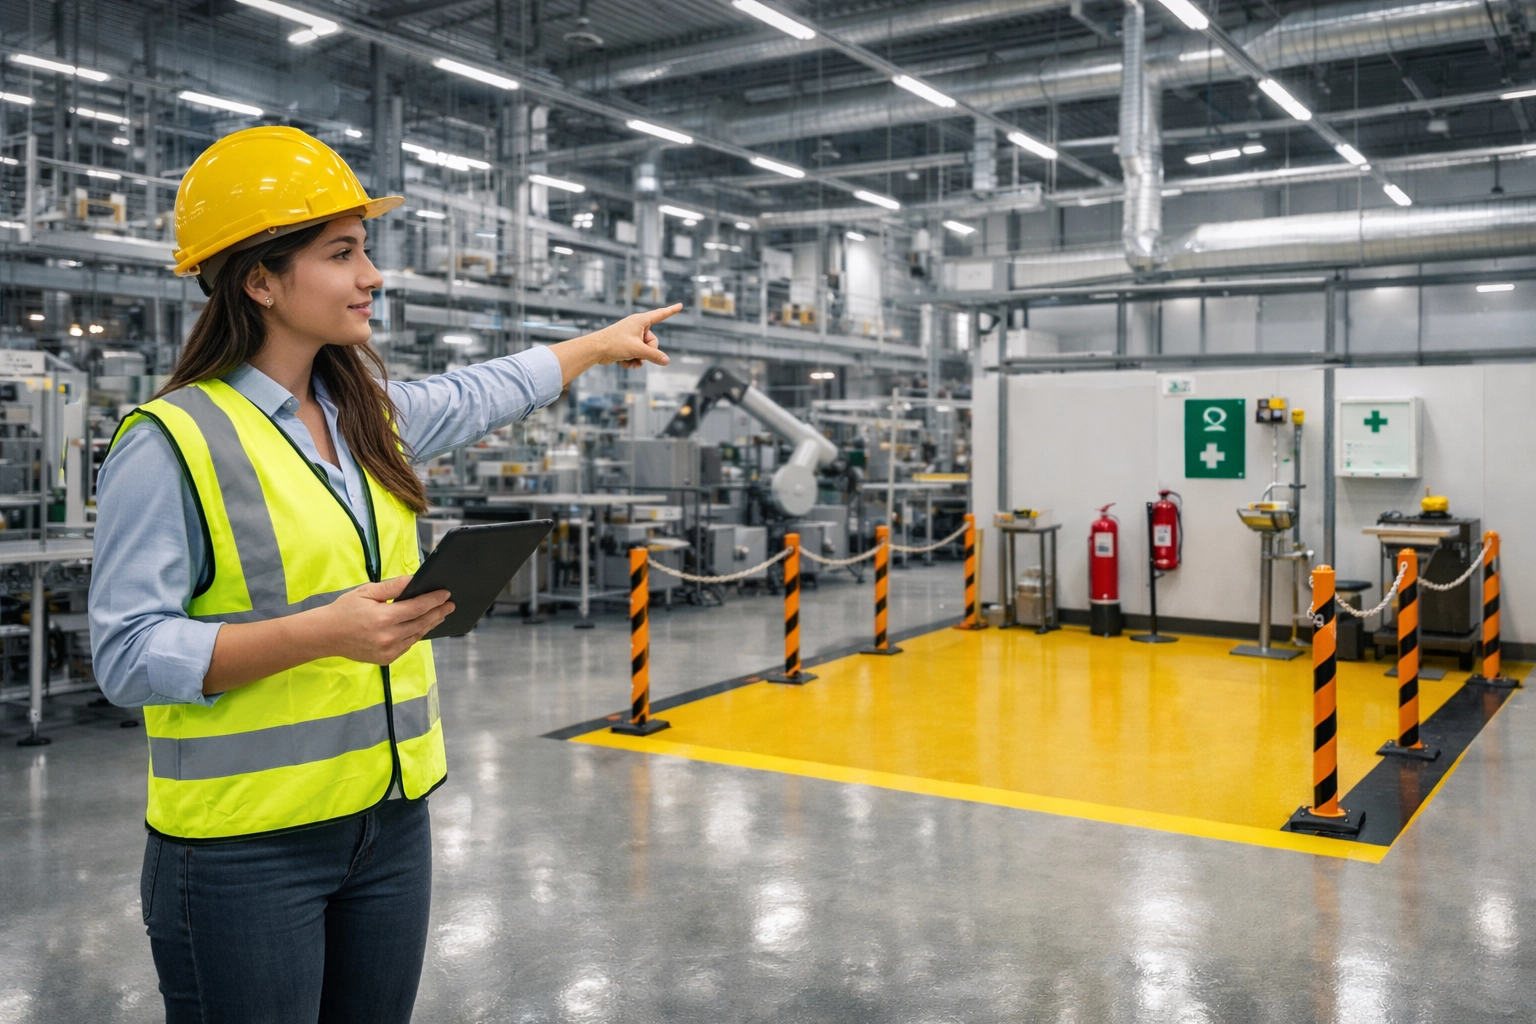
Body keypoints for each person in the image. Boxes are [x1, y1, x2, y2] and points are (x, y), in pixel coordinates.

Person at [88, 125, 677, 1023]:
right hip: (246, 848)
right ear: (259, 280)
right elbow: (128, 655)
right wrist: (323, 633)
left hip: (391, 825)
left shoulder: (366, 419)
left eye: (365, 250)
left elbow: (482, 391)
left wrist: (598, 344)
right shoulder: (171, 440)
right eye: (342, 254)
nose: (373, 275)